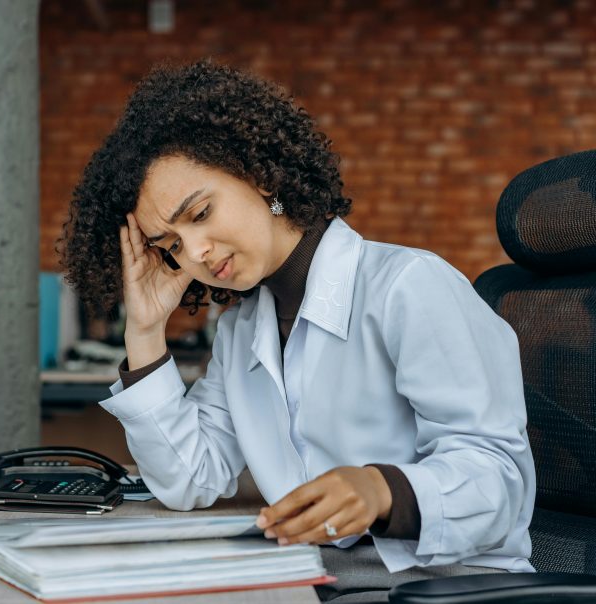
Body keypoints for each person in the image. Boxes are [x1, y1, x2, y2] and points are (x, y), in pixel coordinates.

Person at [59, 60, 535, 602]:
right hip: (316, 582)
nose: (194, 253)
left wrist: (383, 490)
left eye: (201, 214)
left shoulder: (408, 286)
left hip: (444, 586)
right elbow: (191, 481)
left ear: (258, 173)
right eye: (170, 245)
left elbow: (501, 479)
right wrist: (144, 332)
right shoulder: (243, 329)